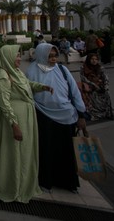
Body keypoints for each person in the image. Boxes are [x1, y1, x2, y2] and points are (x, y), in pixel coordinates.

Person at [0, 45, 53, 203]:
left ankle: (24, 184)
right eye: (17, 56)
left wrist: (41, 87)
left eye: (19, 55)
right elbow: (3, 102)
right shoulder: (2, 75)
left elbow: (27, 84)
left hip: (25, 118)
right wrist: (14, 124)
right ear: (8, 57)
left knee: (25, 152)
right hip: (13, 121)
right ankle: (11, 186)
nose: (20, 58)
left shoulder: (15, 72)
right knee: (13, 153)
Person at [27, 43, 87, 193]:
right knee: (46, 149)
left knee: (66, 151)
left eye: (55, 56)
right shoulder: (31, 71)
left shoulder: (62, 70)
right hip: (43, 116)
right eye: (50, 56)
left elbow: (74, 92)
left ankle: (68, 182)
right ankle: (46, 181)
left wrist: (81, 114)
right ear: (41, 55)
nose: (54, 59)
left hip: (66, 115)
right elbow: (27, 93)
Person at [79, 53, 114, 120]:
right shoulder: (83, 68)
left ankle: (106, 113)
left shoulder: (100, 68)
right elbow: (84, 79)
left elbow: (105, 77)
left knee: (106, 94)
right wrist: (94, 86)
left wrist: (105, 87)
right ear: (89, 59)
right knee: (93, 94)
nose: (94, 61)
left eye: (96, 59)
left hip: (100, 87)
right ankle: (95, 114)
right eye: (92, 59)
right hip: (89, 88)